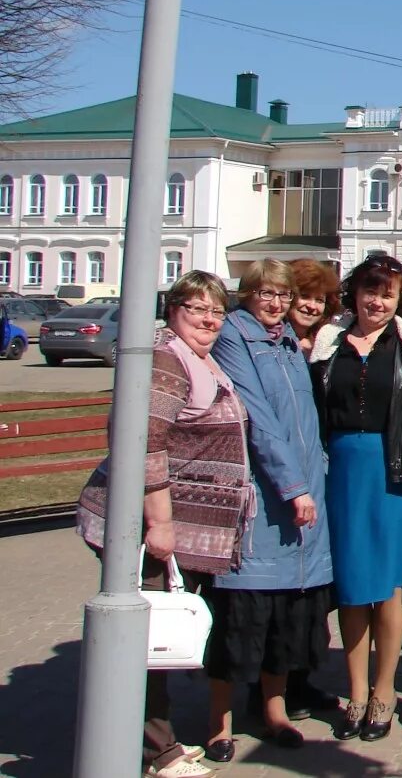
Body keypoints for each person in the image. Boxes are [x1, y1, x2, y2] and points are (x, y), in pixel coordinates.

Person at [76, 271, 252, 778]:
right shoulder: (165, 359)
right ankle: (155, 752)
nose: (209, 319)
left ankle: (156, 741)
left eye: (217, 310)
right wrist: (161, 522)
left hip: (172, 527)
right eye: (196, 308)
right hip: (146, 529)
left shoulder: (198, 358)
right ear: (173, 309)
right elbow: (143, 443)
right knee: (147, 642)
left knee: (156, 639)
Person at [309, 255, 402, 742]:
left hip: (395, 477)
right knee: (351, 588)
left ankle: (385, 690)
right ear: (355, 293)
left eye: (387, 293)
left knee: (388, 588)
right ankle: (356, 691)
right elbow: (313, 417)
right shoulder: (328, 345)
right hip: (342, 475)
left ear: (399, 298)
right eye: (370, 291)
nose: (378, 302)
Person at [202, 261, 334, 762]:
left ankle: (274, 710)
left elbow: (305, 419)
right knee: (241, 618)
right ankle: (219, 722)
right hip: (263, 499)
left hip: (301, 499)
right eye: (265, 293)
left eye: (282, 293)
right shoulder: (236, 338)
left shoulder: (284, 342)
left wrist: (314, 476)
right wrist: (295, 486)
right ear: (246, 294)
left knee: (284, 618)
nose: (276, 302)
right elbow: (258, 419)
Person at [287, 259, 341, 358]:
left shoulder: (328, 346)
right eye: (304, 296)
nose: (312, 306)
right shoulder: (269, 341)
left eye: (319, 300)